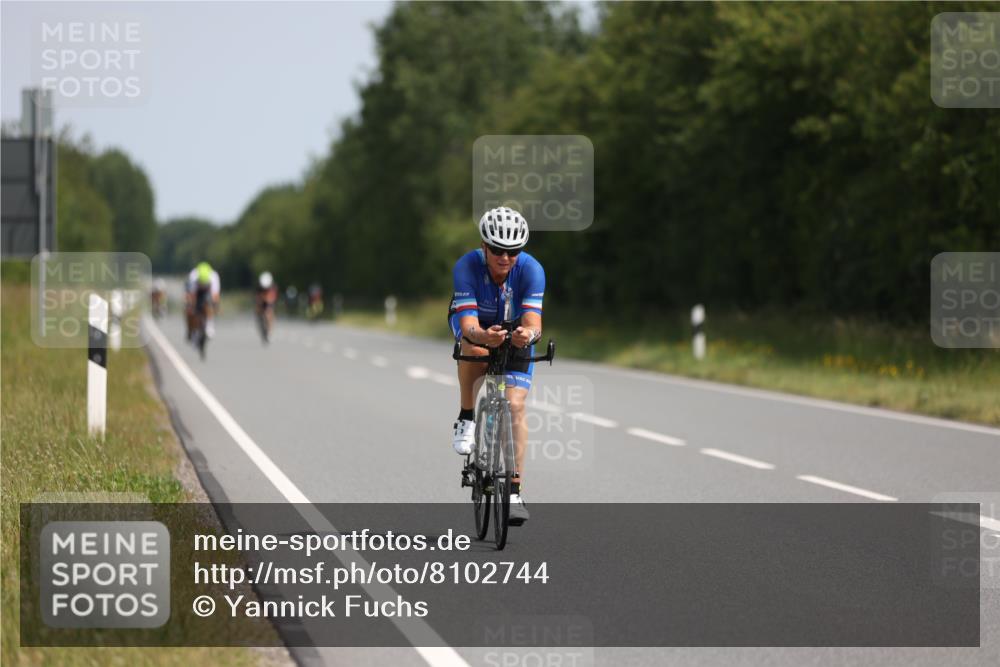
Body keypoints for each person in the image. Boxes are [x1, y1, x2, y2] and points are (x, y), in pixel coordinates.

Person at [449, 206, 544, 525]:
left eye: (513, 251)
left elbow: (533, 320)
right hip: (476, 321)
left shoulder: (531, 270)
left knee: (515, 406)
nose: (505, 257)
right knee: (473, 349)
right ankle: (466, 417)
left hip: (513, 327)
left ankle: (514, 490)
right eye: (498, 250)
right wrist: (481, 336)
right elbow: (469, 325)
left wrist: (527, 335)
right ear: (484, 246)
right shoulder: (467, 266)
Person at [185, 261, 220, 340]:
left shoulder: (214, 277)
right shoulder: (193, 277)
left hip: (208, 292)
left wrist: (215, 306)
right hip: (195, 292)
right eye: (201, 284)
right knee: (189, 309)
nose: (203, 286)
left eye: (204, 284)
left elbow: (215, 296)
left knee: (210, 306)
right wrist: (191, 306)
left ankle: (209, 326)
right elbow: (191, 296)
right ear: (198, 281)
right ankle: (191, 330)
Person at [255, 271, 278, 341]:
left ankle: (269, 330)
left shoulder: (273, 287)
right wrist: (259, 306)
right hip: (261, 300)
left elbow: (272, 298)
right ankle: (261, 326)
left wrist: (268, 302)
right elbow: (257, 297)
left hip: (269, 301)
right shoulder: (258, 287)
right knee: (258, 312)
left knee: (269, 313)